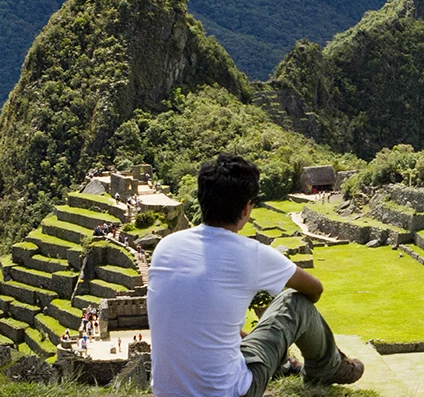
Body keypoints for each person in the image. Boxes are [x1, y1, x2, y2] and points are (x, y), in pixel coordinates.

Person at [148, 154, 361, 396]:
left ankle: (287, 364)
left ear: (201, 199)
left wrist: (254, 339)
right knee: (295, 301)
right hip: (231, 392)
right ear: (246, 207)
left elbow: (197, 317)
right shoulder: (251, 254)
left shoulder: (166, 247)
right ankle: (327, 368)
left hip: (166, 392)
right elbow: (314, 289)